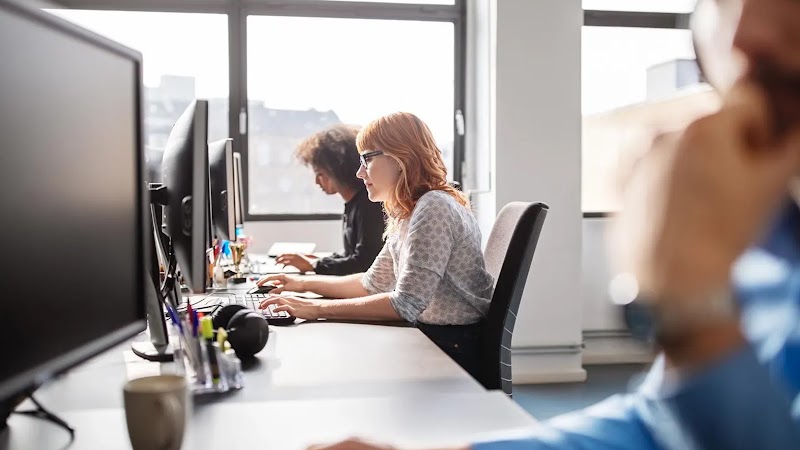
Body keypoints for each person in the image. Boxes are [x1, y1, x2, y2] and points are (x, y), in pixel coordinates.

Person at [307, 0, 800, 448]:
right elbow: (657, 423)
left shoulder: (432, 206)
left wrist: (696, 313)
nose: (740, 30)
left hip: (448, 340)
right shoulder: (770, 236)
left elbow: (405, 301)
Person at [258, 112, 495, 378]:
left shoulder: (434, 207)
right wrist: (301, 284)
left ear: (400, 156)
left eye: (367, 159)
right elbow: (371, 284)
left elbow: (405, 304)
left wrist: (314, 309)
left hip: (453, 349)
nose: (359, 173)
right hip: (435, 337)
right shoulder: (410, 211)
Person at [275, 124, 385, 276]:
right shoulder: (355, 203)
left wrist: (315, 265)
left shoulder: (369, 205)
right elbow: (350, 255)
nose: (316, 181)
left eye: (320, 174)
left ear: (338, 170)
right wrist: (319, 261)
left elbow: (363, 263)